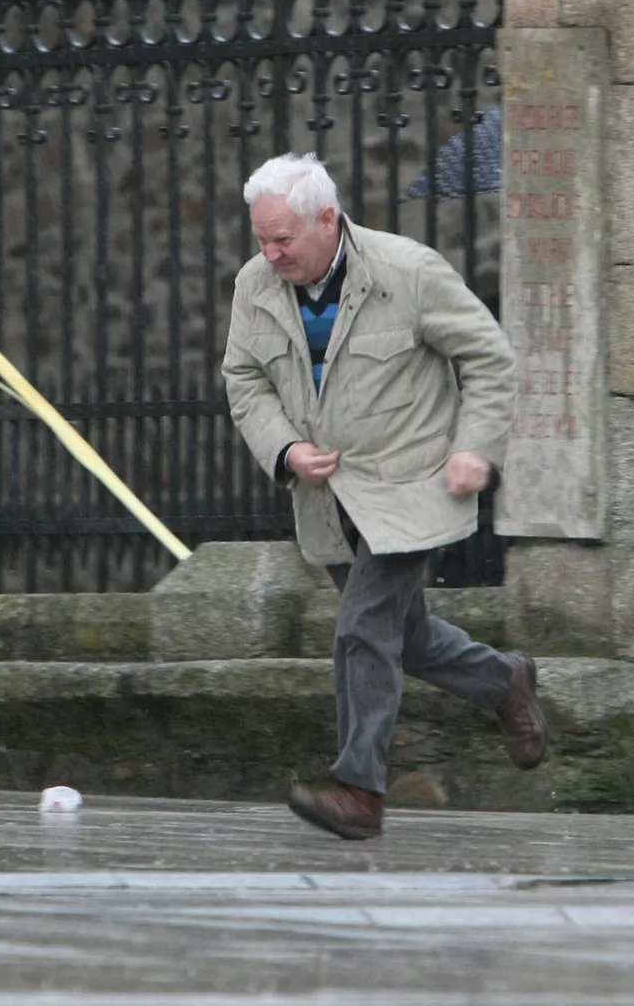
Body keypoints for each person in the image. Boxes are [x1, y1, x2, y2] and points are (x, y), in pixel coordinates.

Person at [221, 153, 547, 841]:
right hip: (330, 497)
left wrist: (473, 447)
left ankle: (358, 789)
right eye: (262, 239)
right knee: (410, 636)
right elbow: (244, 380)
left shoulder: (409, 271)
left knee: (363, 626)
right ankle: (505, 681)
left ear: (328, 219)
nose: (270, 253)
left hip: (411, 484)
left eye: (283, 238)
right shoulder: (254, 287)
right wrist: (284, 449)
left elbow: (490, 357)